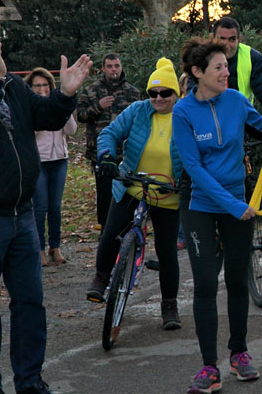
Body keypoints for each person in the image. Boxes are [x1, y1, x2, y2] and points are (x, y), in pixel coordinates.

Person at [0, 17, 91, 394]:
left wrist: (64, 95)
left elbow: (45, 117)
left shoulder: (11, 84)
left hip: (23, 214)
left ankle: (30, 381)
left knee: (30, 303)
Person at [172, 38, 262, 394]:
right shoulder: (183, 111)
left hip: (238, 202)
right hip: (201, 205)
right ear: (197, 73)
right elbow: (194, 167)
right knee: (206, 283)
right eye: (219, 67)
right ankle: (209, 368)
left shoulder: (237, 101)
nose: (226, 72)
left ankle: (239, 353)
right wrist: (236, 206)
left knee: (237, 280)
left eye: (227, 66)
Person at [86, 58, 185, 331]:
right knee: (110, 232)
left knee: (167, 252)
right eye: (153, 93)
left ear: (176, 93)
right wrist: (106, 157)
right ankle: (101, 279)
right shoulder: (138, 111)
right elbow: (110, 133)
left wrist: (189, 179)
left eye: (165, 92)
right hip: (133, 185)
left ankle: (169, 306)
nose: (159, 98)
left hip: (167, 194)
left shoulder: (186, 115)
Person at [76, 53, 142, 231]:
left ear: (121, 67)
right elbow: (80, 116)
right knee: (105, 194)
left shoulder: (133, 93)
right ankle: (105, 229)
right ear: (103, 69)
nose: (114, 70)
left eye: (117, 66)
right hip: (101, 153)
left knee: (129, 193)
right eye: (110, 66)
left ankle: (129, 229)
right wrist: (98, 106)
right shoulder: (91, 91)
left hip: (127, 154)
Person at [25, 68, 78, 267]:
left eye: (45, 85)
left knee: (55, 207)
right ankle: (39, 248)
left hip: (59, 159)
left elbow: (72, 131)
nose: (41, 89)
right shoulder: (30, 106)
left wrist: (62, 108)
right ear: (31, 88)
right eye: (37, 85)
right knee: (40, 207)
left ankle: (55, 247)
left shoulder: (56, 103)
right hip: (39, 161)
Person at [211, 16, 262, 113]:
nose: (227, 44)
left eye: (232, 39)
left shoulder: (252, 57)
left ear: (239, 40)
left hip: (243, 121)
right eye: (222, 39)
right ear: (213, 39)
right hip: (210, 122)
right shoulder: (201, 57)